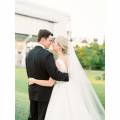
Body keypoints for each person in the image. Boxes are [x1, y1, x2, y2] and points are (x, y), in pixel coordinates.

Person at [29, 36, 105, 120]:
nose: (52, 44)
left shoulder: (57, 62)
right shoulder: (70, 59)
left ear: (60, 46)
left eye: (54, 43)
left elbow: (50, 83)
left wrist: (34, 80)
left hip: (60, 91)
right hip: (72, 90)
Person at [25, 30, 69, 120]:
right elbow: (55, 75)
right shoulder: (47, 55)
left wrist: (33, 81)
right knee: (41, 117)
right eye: (49, 40)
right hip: (44, 94)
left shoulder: (29, 53)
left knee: (33, 116)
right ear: (42, 39)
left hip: (32, 91)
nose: (51, 43)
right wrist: (69, 76)